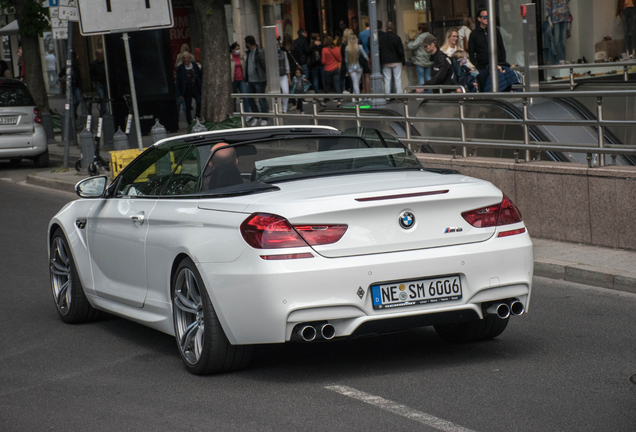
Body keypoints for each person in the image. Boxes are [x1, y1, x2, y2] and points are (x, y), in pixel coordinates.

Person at [468, 8, 507, 92]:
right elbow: (471, 52)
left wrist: (503, 62)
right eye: (485, 17)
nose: (487, 19)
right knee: (484, 87)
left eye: (489, 16)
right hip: (482, 66)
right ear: (479, 19)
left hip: (497, 64)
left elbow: (501, 47)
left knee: (500, 85)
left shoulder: (495, 30)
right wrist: (476, 66)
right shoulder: (474, 34)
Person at [244, 35, 268, 126]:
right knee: (250, 99)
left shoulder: (259, 53)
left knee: (261, 100)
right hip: (251, 80)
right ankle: (257, 116)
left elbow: (264, 65)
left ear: (248, 43)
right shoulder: (248, 53)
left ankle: (264, 118)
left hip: (259, 80)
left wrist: (265, 78)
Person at [379, 21, 405, 94]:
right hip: (396, 60)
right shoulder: (397, 38)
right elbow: (401, 51)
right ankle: (399, 95)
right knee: (397, 78)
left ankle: (387, 97)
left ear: (386, 28)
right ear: (393, 27)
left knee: (387, 79)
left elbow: (380, 50)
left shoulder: (381, 38)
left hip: (386, 61)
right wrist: (403, 62)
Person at [176, 53, 202, 126]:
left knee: (199, 102)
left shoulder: (194, 65)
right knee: (188, 106)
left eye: (187, 58)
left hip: (196, 88)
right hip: (187, 89)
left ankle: (197, 116)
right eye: (184, 58)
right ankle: (189, 121)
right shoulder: (180, 68)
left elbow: (199, 75)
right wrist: (179, 93)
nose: (186, 60)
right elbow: (178, 81)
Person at [407, 23, 433, 91]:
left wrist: (409, 42)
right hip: (429, 60)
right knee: (428, 78)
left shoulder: (420, 37)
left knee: (421, 78)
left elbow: (412, 46)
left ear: (421, 30)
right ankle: (430, 94)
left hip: (420, 60)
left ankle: (422, 95)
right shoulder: (431, 36)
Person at [321, 36, 342, 107]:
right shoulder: (337, 49)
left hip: (327, 69)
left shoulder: (324, 50)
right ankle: (339, 101)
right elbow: (339, 59)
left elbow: (323, 61)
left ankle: (325, 102)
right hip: (336, 68)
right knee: (337, 85)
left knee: (327, 86)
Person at [89, 48, 107, 115]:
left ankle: (104, 108)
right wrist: (96, 81)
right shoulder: (94, 64)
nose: (102, 55)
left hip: (105, 82)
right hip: (99, 82)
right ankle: (103, 109)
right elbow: (91, 74)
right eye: (100, 54)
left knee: (105, 96)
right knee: (102, 96)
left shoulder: (105, 63)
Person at [230, 43, 247, 113]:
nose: (238, 50)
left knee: (245, 96)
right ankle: (233, 112)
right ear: (232, 50)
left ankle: (247, 112)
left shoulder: (241, 57)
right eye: (236, 49)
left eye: (239, 49)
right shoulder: (230, 58)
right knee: (233, 98)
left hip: (241, 79)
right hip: (233, 80)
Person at [276, 39, 291, 114]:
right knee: (276, 93)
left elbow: (287, 65)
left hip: (283, 74)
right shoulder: (270, 54)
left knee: (286, 92)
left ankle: (284, 108)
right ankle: (278, 107)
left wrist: (289, 77)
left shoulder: (284, 53)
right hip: (274, 76)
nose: (276, 46)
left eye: (277, 44)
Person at [339, 28, 355, 93]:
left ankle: (340, 92)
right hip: (352, 62)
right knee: (352, 78)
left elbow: (341, 54)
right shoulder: (354, 44)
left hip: (344, 63)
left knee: (341, 78)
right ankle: (352, 92)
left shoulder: (343, 45)